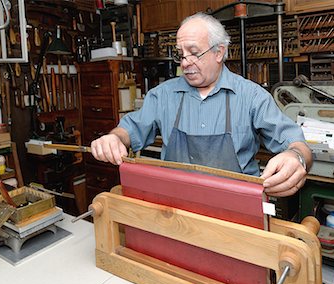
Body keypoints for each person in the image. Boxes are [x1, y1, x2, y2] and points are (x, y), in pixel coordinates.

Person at [91, 12, 312, 197]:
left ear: (219, 52)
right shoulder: (162, 96)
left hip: (238, 206)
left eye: (194, 53)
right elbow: (129, 129)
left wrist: (296, 158)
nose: (185, 62)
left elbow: (297, 144)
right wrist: (114, 138)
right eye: (181, 55)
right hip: (175, 206)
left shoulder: (252, 96)